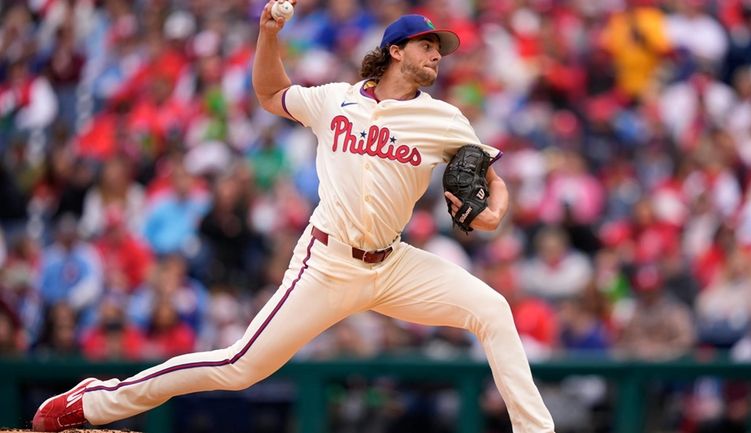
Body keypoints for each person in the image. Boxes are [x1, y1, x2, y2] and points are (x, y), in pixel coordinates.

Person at [32, 4, 555, 432]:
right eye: (427, 45)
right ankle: (96, 401)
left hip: (393, 265)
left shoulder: (443, 118)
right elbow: (267, 93)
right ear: (396, 51)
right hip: (327, 263)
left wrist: (495, 210)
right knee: (238, 367)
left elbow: (489, 174)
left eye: (440, 49)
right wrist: (268, 35)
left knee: (492, 309)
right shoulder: (335, 101)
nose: (437, 55)